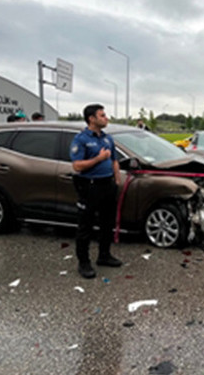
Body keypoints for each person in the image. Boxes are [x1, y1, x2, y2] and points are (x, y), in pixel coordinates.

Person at [70, 104, 123, 279]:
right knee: (85, 226)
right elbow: (77, 166)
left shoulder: (107, 139)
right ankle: (84, 263)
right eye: (102, 115)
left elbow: (114, 160)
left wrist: (116, 180)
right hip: (89, 186)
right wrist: (98, 158)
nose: (106, 118)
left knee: (107, 223)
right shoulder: (81, 139)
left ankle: (104, 255)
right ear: (91, 119)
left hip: (107, 185)